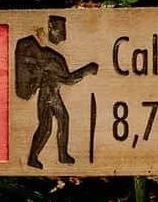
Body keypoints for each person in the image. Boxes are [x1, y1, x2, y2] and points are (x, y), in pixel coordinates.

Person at [15, 17, 98, 169]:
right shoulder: (49, 57)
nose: (63, 33)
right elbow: (68, 80)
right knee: (46, 127)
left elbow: (65, 79)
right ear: (53, 29)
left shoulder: (53, 56)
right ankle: (34, 157)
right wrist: (88, 70)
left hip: (53, 95)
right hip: (47, 97)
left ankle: (61, 155)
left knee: (62, 120)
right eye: (60, 28)